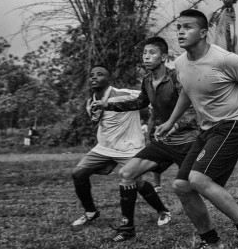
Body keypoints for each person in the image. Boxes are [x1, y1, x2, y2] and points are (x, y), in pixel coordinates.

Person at [156, 9, 238, 249]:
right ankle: (211, 242)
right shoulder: (180, 63)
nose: (181, 32)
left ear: (203, 32)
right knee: (182, 186)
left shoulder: (224, 59)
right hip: (207, 129)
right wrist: (170, 122)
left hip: (233, 124)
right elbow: (187, 91)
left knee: (198, 178)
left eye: (187, 27)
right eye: (178, 27)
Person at [92, 36, 200, 242]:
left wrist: (174, 124)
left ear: (164, 57)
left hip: (188, 142)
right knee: (127, 173)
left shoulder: (177, 78)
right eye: (144, 53)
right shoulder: (147, 81)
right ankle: (127, 228)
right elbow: (140, 102)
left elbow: (194, 110)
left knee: (194, 187)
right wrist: (109, 105)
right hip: (164, 143)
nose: (147, 57)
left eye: (152, 53)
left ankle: (223, 227)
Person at [71, 65, 168, 229]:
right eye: (92, 75)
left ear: (108, 79)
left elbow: (153, 99)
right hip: (104, 148)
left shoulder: (125, 94)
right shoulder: (90, 103)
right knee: (78, 173)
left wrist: (160, 123)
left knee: (136, 182)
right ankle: (90, 212)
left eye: (100, 74)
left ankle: (163, 211)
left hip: (129, 148)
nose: (94, 77)